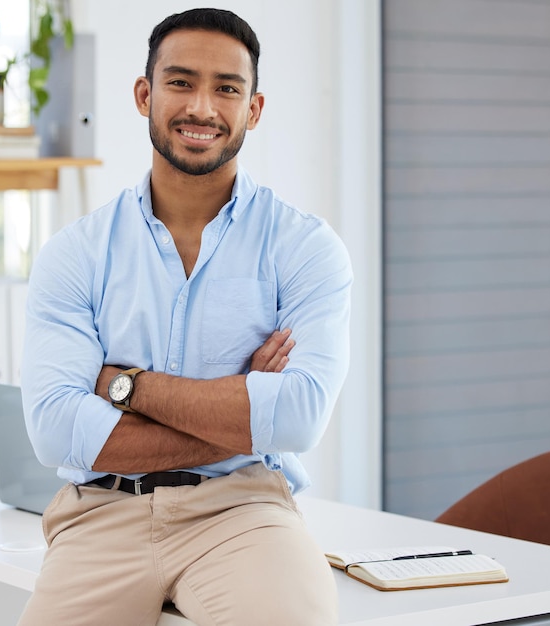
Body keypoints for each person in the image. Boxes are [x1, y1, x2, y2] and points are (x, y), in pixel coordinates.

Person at [19, 8, 352, 626]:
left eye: (227, 88)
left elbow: (300, 417)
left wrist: (125, 387)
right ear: (145, 94)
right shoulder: (77, 252)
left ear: (253, 109)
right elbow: (56, 430)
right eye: (181, 81)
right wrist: (248, 409)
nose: (202, 106)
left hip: (242, 512)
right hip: (100, 513)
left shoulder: (305, 247)